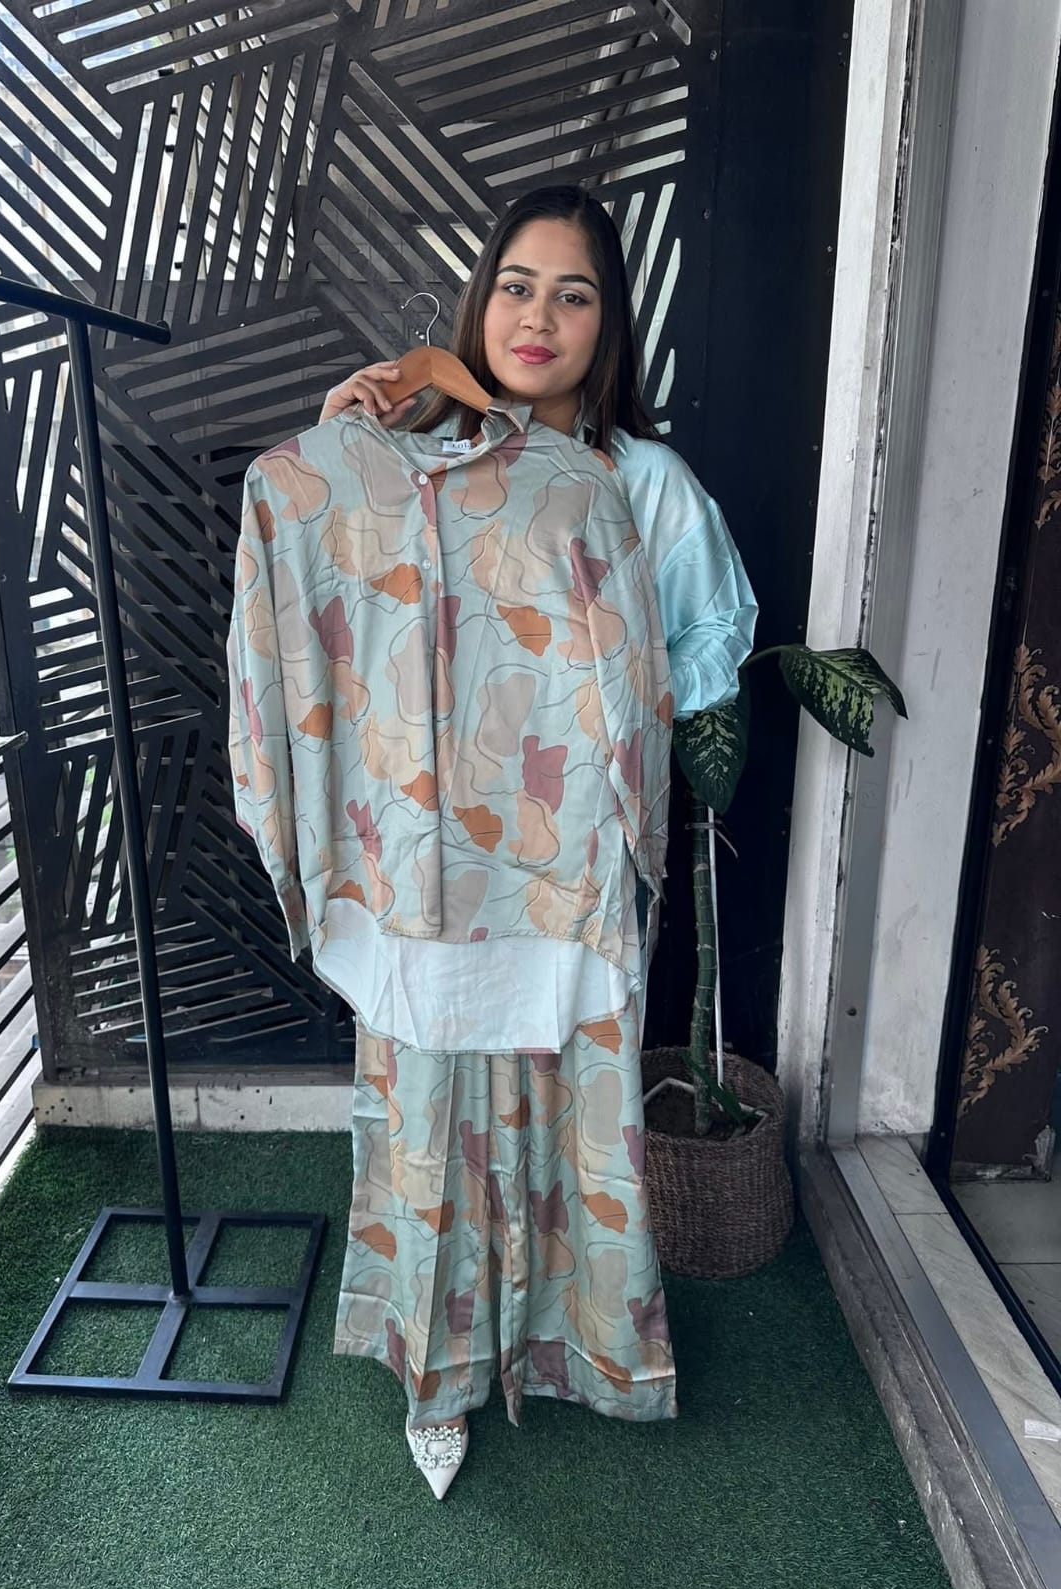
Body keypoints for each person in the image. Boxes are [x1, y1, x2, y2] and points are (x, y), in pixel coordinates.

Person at [316, 184, 756, 1497]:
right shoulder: (414, 453)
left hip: (570, 864)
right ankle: (439, 1370)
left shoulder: (642, 481)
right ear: (479, 301)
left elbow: (711, 638)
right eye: (516, 285)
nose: (539, 318)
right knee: (433, 1102)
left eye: (574, 294)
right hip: (428, 866)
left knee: (570, 1106)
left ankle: (576, 1341)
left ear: (607, 325)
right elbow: (337, 619)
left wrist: (603, 716)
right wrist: (343, 446)